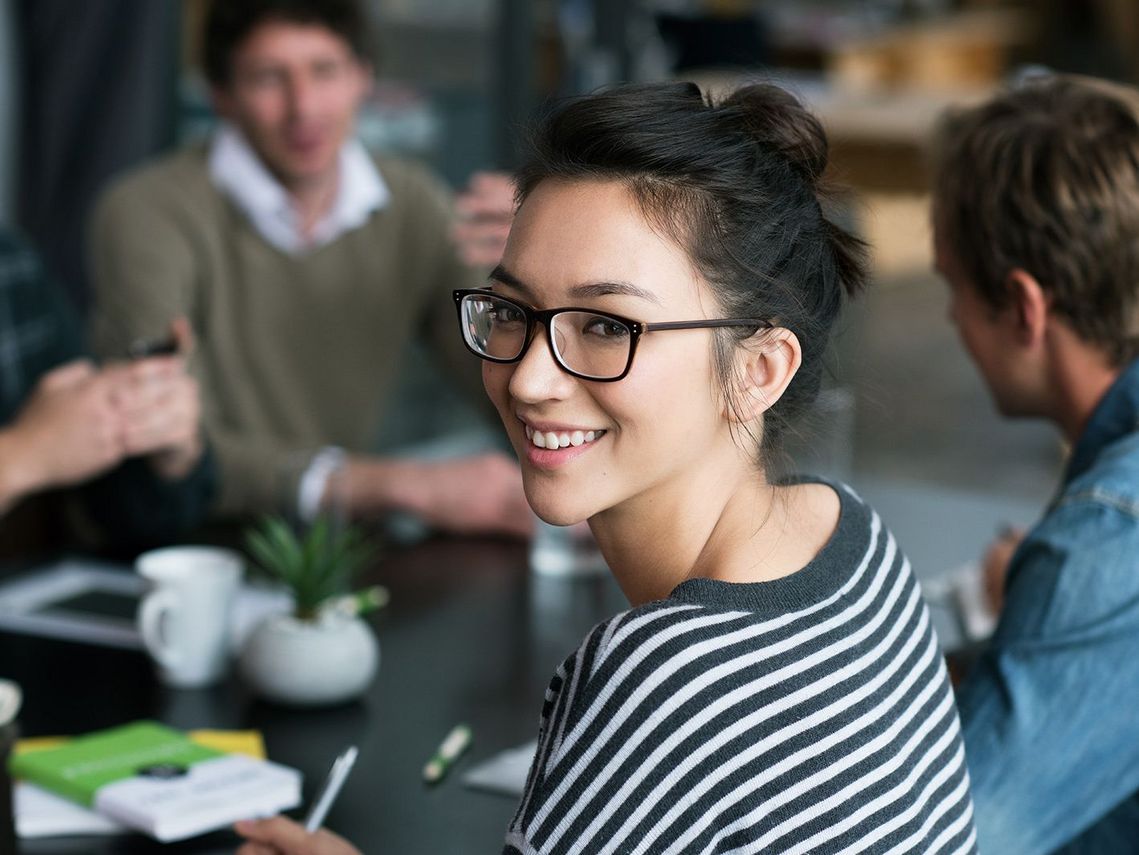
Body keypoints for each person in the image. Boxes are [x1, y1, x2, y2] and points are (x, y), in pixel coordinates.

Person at [236, 81, 977, 854]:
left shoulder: (666, 677)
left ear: (759, 368)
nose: (528, 378)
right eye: (511, 310)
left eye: (604, 325)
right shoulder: (850, 536)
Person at [88, 0, 529, 536]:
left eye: (325, 71)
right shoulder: (148, 211)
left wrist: (538, 277)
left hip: (330, 552)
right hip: (180, 547)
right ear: (221, 96)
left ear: (363, 76)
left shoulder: (411, 203)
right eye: (269, 78)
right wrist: (402, 484)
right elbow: (172, 444)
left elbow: (506, 389)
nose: (304, 108)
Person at [931, 74, 1139, 853]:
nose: (949, 316)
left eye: (952, 286)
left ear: (1022, 307)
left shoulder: (1106, 540)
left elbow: (957, 839)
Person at [0, 229, 213, 558]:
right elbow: (45, 442)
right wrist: (26, 451)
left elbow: (116, 516)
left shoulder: (12, 265)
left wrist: (150, 432)